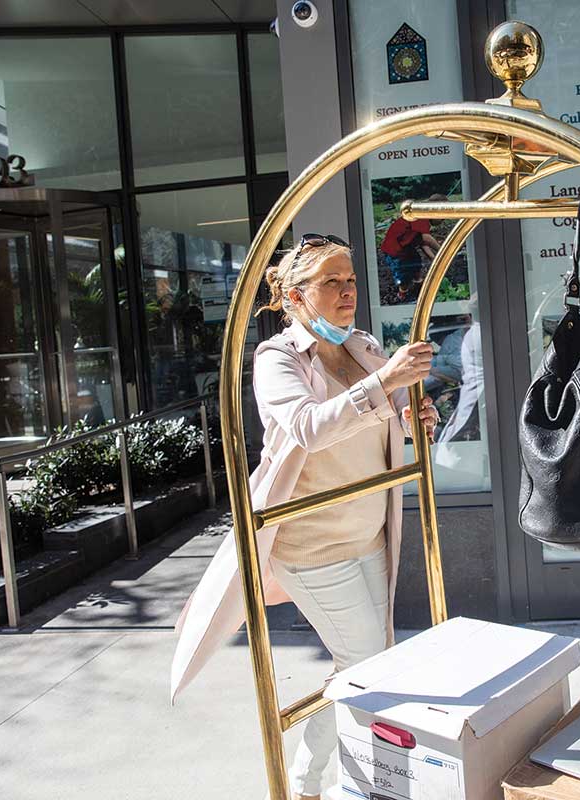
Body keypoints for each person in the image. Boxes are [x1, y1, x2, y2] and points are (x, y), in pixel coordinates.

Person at [169, 233, 437, 800]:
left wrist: (414, 417)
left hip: (368, 531)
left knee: (364, 662)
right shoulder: (277, 358)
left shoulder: (362, 346)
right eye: (331, 282)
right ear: (294, 296)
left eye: (352, 280)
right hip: (312, 543)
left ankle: (315, 783)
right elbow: (308, 429)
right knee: (366, 663)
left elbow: (380, 418)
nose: (347, 292)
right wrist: (387, 383)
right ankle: (317, 784)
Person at [379, 193, 446, 301]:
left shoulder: (422, 219)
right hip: (395, 250)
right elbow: (426, 239)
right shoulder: (420, 216)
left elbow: (422, 242)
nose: (442, 221)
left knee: (416, 263)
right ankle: (402, 294)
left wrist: (433, 258)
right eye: (442, 218)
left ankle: (418, 284)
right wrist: (443, 250)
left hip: (406, 247)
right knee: (403, 274)